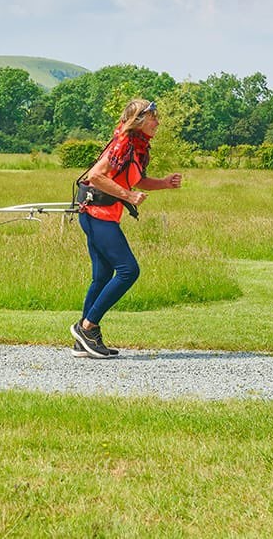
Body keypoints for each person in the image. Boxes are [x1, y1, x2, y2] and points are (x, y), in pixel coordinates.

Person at [71, 99, 182, 359]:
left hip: (102, 215)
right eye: (153, 117)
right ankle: (87, 327)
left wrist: (164, 183)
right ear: (139, 120)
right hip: (97, 215)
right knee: (128, 270)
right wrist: (128, 196)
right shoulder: (123, 143)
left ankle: (84, 341)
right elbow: (95, 176)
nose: (157, 122)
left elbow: (137, 179)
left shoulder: (136, 147)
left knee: (102, 276)